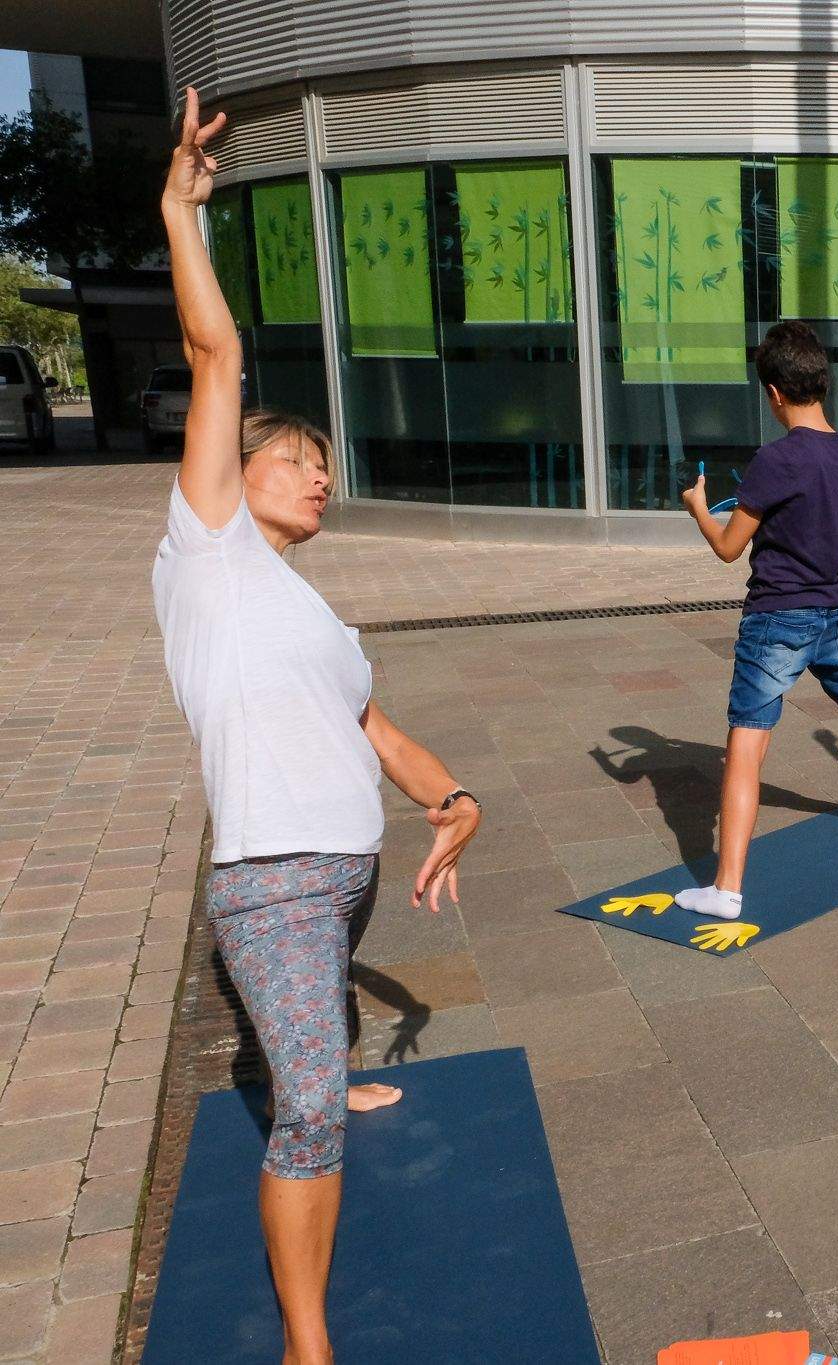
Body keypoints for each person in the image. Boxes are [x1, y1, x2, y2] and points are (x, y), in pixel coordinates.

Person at [153, 90, 481, 1365]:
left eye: (328, 470)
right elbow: (215, 357)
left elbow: (381, 735)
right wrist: (183, 213)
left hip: (339, 882)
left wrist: (457, 801)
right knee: (306, 1116)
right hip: (274, 882)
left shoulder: (314, 614)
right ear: (245, 474)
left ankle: (321, 1065)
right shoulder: (211, 552)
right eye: (305, 462)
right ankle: (307, 1342)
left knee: (315, 1044)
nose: (323, 480)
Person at [674, 319, 838, 920]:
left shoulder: (773, 461)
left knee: (746, 742)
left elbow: (728, 547)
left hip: (777, 617)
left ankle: (726, 889)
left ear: (774, 393)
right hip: (837, 609)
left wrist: (696, 509)